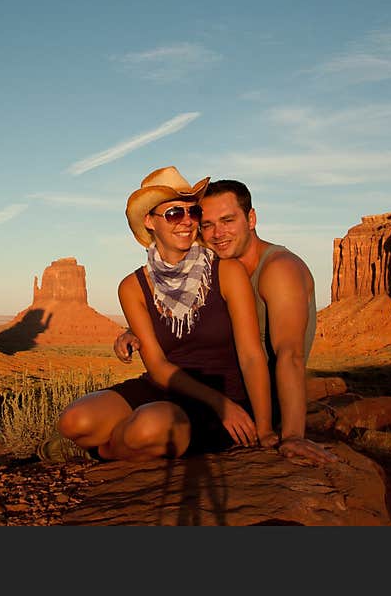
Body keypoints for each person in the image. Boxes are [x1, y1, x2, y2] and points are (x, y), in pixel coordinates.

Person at [41, 167, 277, 463]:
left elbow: (252, 354)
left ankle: (100, 453)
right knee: (74, 421)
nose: (188, 221)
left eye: (193, 212)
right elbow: (157, 366)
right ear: (149, 221)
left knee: (150, 427)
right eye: (174, 213)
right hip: (165, 386)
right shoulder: (133, 287)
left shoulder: (226, 272)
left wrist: (262, 426)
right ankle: (126, 439)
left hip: (223, 395)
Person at [114, 179, 337, 464]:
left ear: (251, 218)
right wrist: (132, 330)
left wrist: (291, 434)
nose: (218, 233)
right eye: (206, 224)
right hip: (218, 389)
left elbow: (289, 354)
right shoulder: (211, 268)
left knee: (150, 426)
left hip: (256, 400)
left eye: (228, 220)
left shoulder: (278, 270)